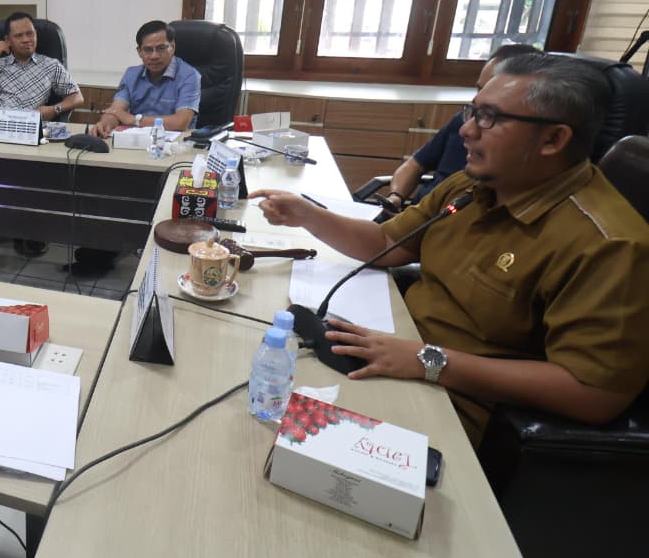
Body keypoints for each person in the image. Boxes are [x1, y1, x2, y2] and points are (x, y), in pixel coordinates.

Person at [252, 53, 649, 445]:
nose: (466, 131)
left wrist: (429, 360)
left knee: (261, 441)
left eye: (489, 118)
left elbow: (595, 394)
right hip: (393, 345)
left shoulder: (609, 246)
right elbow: (388, 242)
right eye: (470, 112)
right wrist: (308, 216)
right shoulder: (472, 186)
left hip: (450, 403)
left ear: (553, 139)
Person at [379, 43, 537, 212]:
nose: (466, 130)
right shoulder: (464, 119)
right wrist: (396, 196)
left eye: (489, 90)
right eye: (478, 89)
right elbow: (416, 163)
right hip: (417, 217)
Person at [93, 20, 201, 138]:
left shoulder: (189, 76)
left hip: (174, 144)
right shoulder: (131, 74)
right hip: (136, 141)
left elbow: (181, 122)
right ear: (140, 52)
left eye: (161, 48)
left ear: (173, 47)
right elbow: (115, 111)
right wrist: (105, 123)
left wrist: (133, 119)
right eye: (148, 50)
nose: (154, 56)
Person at [0, 12, 84, 120]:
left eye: (30, 34)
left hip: (27, 130)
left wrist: (54, 109)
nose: (26, 40)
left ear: (35, 34)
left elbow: (77, 97)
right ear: (8, 40)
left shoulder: (51, 65)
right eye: (18, 36)